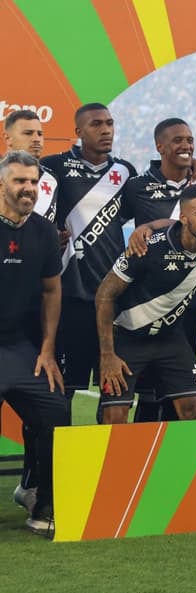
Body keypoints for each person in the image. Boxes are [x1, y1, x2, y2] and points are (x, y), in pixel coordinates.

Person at [40, 103, 137, 423]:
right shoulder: (53, 166)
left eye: (110, 123)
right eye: (97, 124)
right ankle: (51, 470)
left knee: (114, 394)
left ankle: (110, 468)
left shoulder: (124, 172)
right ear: (79, 132)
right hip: (70, 297)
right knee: (62, 395)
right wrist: (49, 236)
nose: (106, 129)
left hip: (112, 298)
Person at [94, 185, 196, 423]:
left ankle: (184, 461)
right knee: (114, 416)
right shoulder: (146, 248)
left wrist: (149, 224)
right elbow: (104, 294)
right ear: (182, 218)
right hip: (128, 338)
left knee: (193, 409)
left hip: (170, 339)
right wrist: (107, 354)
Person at [0, 151, 67, 537]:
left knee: (56, 410)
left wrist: (46, 349)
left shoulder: (43, 231)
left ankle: (42, 506)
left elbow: (52, 291)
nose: (28, 188)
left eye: (32, 182)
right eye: (19, 181)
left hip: (23, 349)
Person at [3, 110, 56, 222]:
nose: (36, 139)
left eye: (40, 134)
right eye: (28, 133)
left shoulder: (52, 179)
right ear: (8, 139)